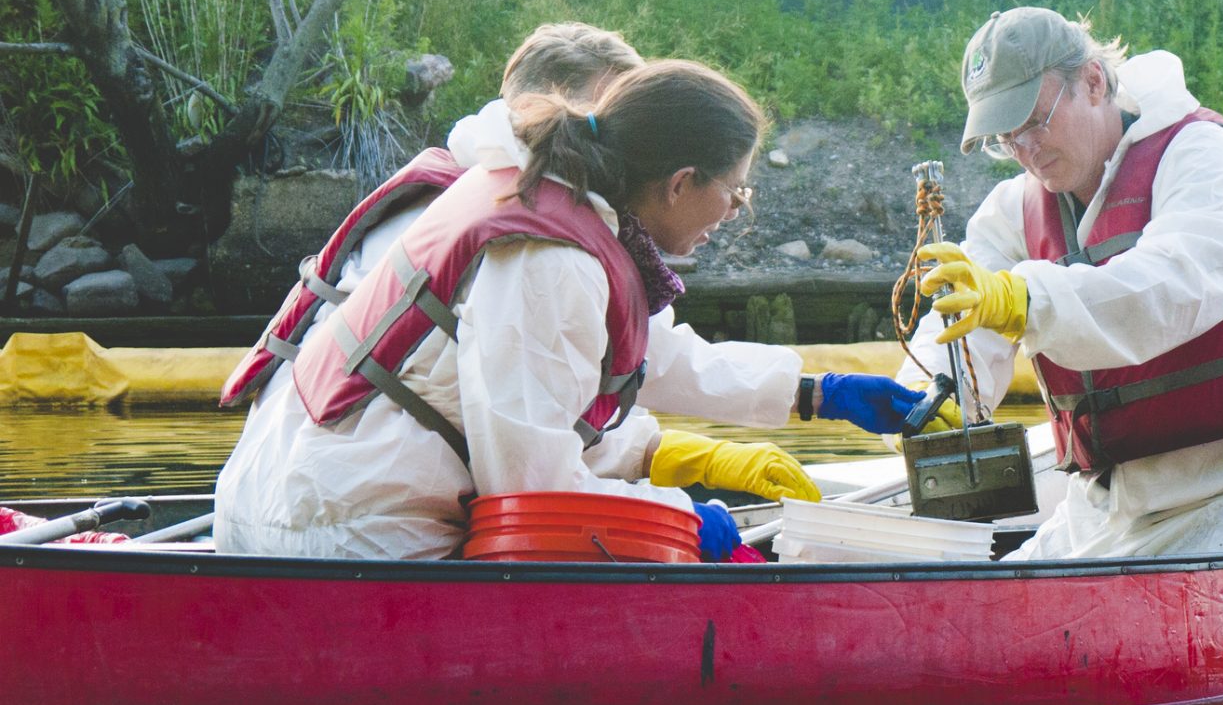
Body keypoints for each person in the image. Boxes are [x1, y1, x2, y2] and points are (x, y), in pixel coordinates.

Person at [215, 56, 937, 560]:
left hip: (295, 505)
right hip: (343, 537)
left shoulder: (554, 203)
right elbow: (530, 485)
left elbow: (637, 360)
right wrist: (688, 521)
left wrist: (815, 394)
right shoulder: (553, 261)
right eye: (738, 190)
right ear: (681, 182)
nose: (737, 211)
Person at [898, 6, 1223, 559]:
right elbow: (961, 323)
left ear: (1092, 80)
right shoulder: (1012, 211)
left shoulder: (1203, 155)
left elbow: (1175, 286)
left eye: (1034, 120)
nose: (1025, 149)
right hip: (1109, 509)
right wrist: (933, 396)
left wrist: (1025, 300)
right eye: (1005, 136)